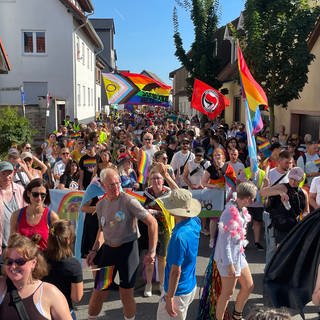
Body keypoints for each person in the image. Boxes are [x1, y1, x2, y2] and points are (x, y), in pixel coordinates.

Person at [86, 168, 158, 320]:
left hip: (128, 251)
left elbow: (152, 222)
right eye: (111, 185)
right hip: (108, 252)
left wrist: (152, 251)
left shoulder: (129, 201)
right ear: (103, 186)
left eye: (118, 183)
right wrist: (94, 250)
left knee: (126, 294)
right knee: (99, 291)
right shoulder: (100, 205)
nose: (116, 187)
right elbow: (101, 230)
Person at [0, 233, 72, 319]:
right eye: (9, 262)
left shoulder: (50, 293)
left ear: (33, 263)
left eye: (20, 261)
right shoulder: (2, 287)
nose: (13, 266)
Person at [156, 188, 201, 320]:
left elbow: (176, 271)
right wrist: (168, 177)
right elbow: (183, 198)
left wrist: (169, 297)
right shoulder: (195, 221)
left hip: (177, 292)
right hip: (189, 285)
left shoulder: (178, 237)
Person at [214, 182, 257, 320]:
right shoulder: (229, 213)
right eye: (253, 198)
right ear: (247, 198)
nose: (253, 201)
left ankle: (236, 315)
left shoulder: (241, 209)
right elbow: (224, 242)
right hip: (228, 258)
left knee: (249, 286)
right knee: (227, 293)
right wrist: (229, 264)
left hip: (238, 254)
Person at [142, 165, 178, 297]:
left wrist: (154, 211)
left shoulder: (168, 193)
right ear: (150, 180)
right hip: (149, 228)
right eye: (153, 178)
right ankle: (149, 284)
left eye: (158, 178)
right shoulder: (146, 193)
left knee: (162, 258)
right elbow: (141, 209)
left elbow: (179, 195)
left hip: (165, 229)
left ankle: (162, 284)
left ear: (163, 180)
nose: (156, 181)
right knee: (150, 257)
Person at [44, 220, 83, 319]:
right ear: (68, 240)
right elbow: (77, 297)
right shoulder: (73, 265)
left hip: (42, 310)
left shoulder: (39, 258)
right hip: (64, 311)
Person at [260, 167, 309, 246]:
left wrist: (303, 217)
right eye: (291, 178)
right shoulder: (282, 187)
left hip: (297, 226)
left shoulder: (304, 193)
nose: (293, 182)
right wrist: (280, 193)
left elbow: (306, 211)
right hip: (282, 226)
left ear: (301, 179)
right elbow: (262, 192)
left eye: (296, 179)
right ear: (288, 177)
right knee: (281, 251)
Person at [10, 178, 59, 251]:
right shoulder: (16, 215)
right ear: (28, 193)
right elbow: (11, 243)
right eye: (35, 194)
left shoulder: (52, 217)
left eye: (43, 195)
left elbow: (58, 245)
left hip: (44, 260)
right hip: (22, 261)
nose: (39, 198)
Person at [0, 161, 25, 259]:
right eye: (3, 173)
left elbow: (26, 213)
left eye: (9, 173)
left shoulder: (20, 190)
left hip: (18, 244)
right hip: (2, 245)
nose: (7, 176)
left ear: (13, 173)